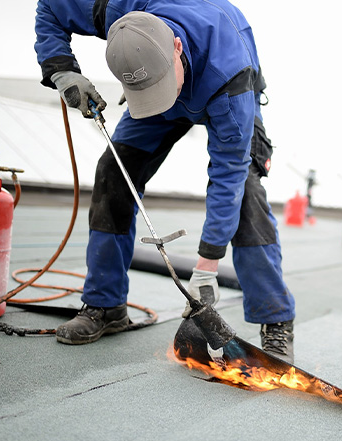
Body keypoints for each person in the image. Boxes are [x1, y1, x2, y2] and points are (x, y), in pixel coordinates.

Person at [34, 0, 296, 362]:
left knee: (246, 194)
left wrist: (207, 264)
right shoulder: (117, 11)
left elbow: (228, 175)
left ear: (175, 47)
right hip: (167, 81)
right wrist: (61, 69)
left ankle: (275, 320)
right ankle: (105, 305)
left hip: (219, 85)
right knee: (114, 173)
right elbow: (49, 7)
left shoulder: (231, 76)